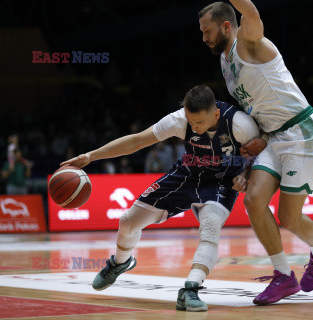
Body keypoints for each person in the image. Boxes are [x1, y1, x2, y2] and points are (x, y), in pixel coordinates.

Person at [61, 84, 260, 312]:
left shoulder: (240, 124)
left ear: (215, 114)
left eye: (199, 123)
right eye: (190, 121)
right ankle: (120, 262)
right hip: (187, 175)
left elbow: (262, 153)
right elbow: (136, 141)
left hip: (222, 183)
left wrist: (247, 174)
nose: (193, 128)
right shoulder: (179, 120)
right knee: (127, 221)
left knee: (210, 227)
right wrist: (90, 156)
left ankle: (191, 289)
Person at [198, 1, 313, 305]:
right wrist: (251, 155)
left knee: (288, 217)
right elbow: (255, 111)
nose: (204, 38)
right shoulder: (224, 62)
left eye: (207, 31)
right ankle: (284, 276)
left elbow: (252, 14)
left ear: (226, 26)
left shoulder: (250, 44)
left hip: (303, 133)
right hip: (273, 137)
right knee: (253, 200)